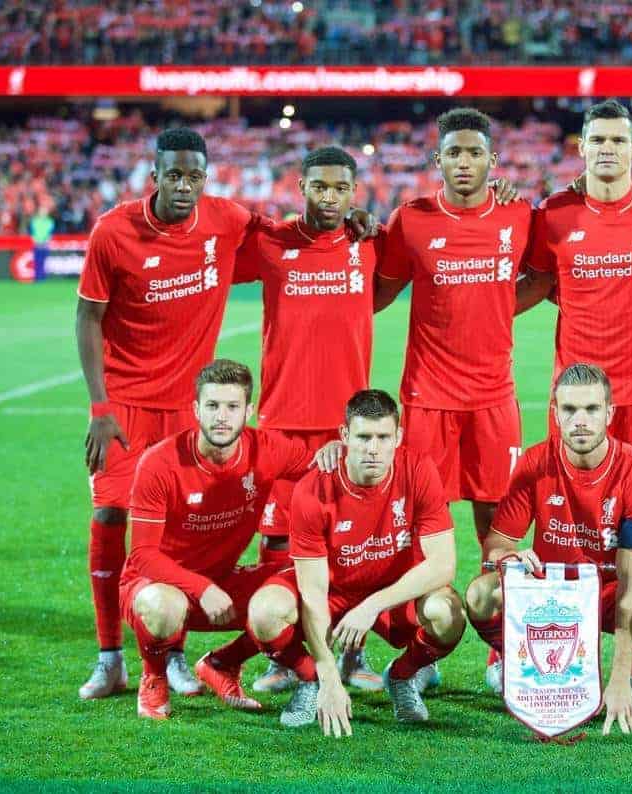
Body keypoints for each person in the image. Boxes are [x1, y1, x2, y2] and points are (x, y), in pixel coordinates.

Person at [76, 128, 262, 701]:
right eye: (173, 174)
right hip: (125, 408)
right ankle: (110, 658)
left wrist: (350, 222)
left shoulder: (226, 220)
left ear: (206, 179)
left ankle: (172, 654)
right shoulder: (113, 231)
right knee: (111, 516)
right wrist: (100, 408)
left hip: (190, 409)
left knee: (177, 532)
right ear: (153, 175)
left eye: (194, 176)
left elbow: (288, 234)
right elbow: (87, 319)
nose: (183, 185)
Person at [464, 364, 632, 732]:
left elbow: (630, 587)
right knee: (482, 594)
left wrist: (621, 677)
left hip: (616, 589)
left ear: (610, 413)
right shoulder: (535, 463)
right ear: (555, 413)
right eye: (570, 410)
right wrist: (509, 557)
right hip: (555, 592)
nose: (580, 420)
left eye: (592, 410)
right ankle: (518, 664)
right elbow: (498, 542)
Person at [235, 145, 387, 693]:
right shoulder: (271, 243)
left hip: (347, 425)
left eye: (341, 188)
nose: (330, 197)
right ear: (301, 187)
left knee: (351, 544)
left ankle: (353, 655)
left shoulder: (368, 243)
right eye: (319, 187)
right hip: (282, 421)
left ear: (354, 191)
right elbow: (210, 257)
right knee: (276, 541)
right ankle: (282, 657)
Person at [121, 359, 339, 719]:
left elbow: (319, 466)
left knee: (301, 587)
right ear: (196, 409)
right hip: (156, 584)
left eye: (232, 407)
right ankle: (154, 677)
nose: (222, 416)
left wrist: (335, 451)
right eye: (212, 406)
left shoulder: (266, 449)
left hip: (223, 580)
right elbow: (142, 555)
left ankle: (223, 663)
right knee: (163, 607)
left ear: (248, 411)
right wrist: (199, 587)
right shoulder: (159, 463)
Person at [246, 390, 463, 734]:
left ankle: (403, 676)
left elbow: (443, 565)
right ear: (344, 436)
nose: (373, 448)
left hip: (392, 591)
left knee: (448, 613)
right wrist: (327, 672)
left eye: (383, 437)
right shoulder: (313, 489)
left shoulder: (418, 470)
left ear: (398, 438)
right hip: (335, 591)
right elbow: (314, 593)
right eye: (363, 437)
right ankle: (309, 681)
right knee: (265, 612)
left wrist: (372, 606)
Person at [519, 100, 632, 516]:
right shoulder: (553, 214)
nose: (607, 148)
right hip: (577, 395)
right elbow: (541, 283)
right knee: (569, 512)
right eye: (597, 139)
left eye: (618, 140)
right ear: (581, 147)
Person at [375, 108, 532, 550]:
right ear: (436, 160)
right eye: (454, 153)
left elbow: (541, 276)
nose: (464, 163)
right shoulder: (410, 220)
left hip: (493, 394)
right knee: (424, 516)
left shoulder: (517, 214)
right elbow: (381, 292)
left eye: (475, 153)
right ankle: (425, 616)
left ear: (493, 160)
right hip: (429, 397)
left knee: (498, 516)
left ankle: (494, 611)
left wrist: (497, 306)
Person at [29, 203, 54, 281]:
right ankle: (37, 277)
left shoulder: (50, 221)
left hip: (45, 244)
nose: (43, 213)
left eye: (44, 211)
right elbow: (32, 232)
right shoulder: (34, 221)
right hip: (37, 243)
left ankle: (43, 277)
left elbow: (50, 233)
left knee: (44, 261)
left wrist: (47, 241)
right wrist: (35, 240)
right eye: (41, 211)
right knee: (37, 261)